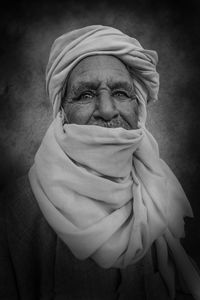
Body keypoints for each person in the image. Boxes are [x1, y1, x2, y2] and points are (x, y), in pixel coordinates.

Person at [1, 25, 200, 300]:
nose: (107, 111)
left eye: (120, 93)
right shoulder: (15, 214)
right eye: (85, 95)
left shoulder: (159, 194)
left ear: (138, 108)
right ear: (61, 113)